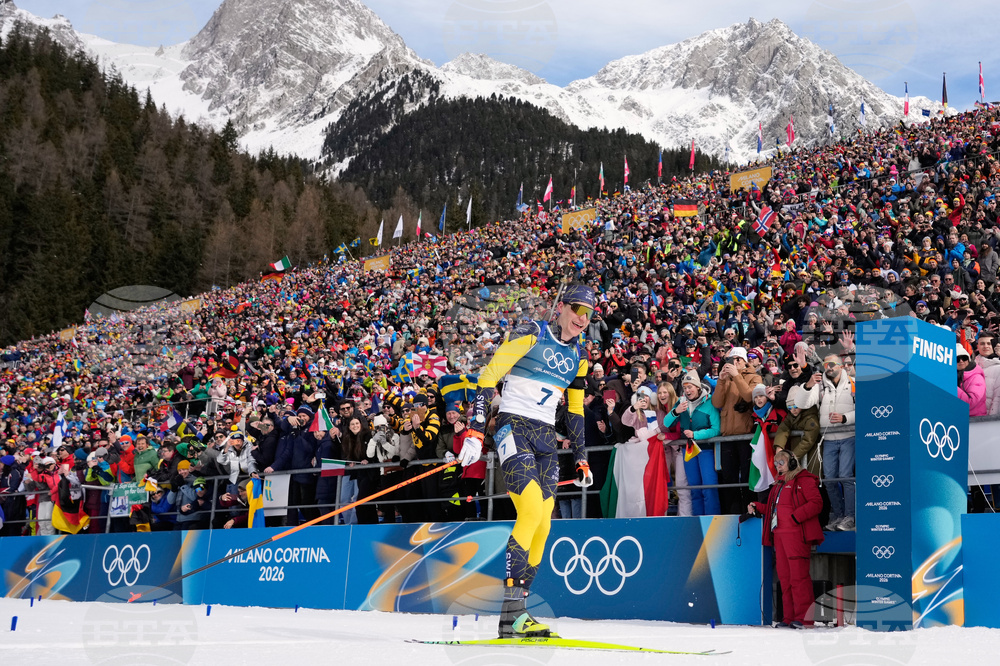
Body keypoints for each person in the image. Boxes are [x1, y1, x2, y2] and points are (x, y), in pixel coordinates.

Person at [457, 284, 596, 638]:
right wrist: (475, 430)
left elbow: (576, 410)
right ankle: (512, 615)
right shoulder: (533, 332)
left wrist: (582, 458)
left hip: (547, 437)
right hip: (512, 426)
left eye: (589, 313)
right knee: (531, 511)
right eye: (578, 309)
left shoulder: (579, 357)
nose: (582, 318)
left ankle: (515, 614)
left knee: (544, 524)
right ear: (561, 306)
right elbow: (488, 376)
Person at [748, 448, 825, 628]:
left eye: (780, 462)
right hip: (780, 536)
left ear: (791, 462)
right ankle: (789, 617)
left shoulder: (804, 480)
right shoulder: (779, 484)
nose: (778, 466)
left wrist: (795, 517)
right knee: (785, 578)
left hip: (796, 536)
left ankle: (804, 619)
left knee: (799, 577)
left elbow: (816, 503)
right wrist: (757, 506)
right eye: (775, 463)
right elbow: (771, 509)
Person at [663, 369, 721, 516]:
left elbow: (716, 429)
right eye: (685, 387)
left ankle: (711, 519)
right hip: (688, 450)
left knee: (709, 487)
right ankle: (697, 521)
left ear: (698, 387)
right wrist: (676, 412)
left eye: (690, 387)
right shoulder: (681, 402)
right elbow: (666, 423)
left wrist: (696, 434)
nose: (688, 390)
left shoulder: (709, 402)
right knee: (694, 488)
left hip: (705, 449)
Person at [819, 354, 856, 531]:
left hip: (848, 436)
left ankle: (850, 517)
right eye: (826, 364)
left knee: (846, 476)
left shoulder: (854, 383)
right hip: (828, 439)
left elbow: (865, 409)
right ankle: (838, 516)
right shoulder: (820, 385)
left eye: (832, 364)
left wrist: (844, 418)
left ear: (841, 366)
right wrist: (808, 386)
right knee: (829, 480)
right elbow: (802, 403)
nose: (829, 367)